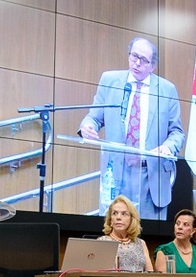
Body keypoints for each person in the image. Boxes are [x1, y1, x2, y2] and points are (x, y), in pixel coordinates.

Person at [79, 37, 185, 221]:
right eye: (134, 56)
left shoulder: (167, 90)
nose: (136, 63)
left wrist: (167, 147)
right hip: (117, 172)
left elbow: (177, 132)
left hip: (150, 175)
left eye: (143, 60)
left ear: (152, 66)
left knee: (147, 239)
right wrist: (87, 126)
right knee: (114, 235)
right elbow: (94, 117)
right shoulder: (110, 80)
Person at [98, 195, 153, 272]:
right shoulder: (102, 242)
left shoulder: (141, 243)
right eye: (114, 213)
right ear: (110, 219)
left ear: (131, 219)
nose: (118, 217)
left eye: (124, 214)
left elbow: (150, 274)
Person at [153, 209, 196, 274]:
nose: (180, 227)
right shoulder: (164, 251)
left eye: (185, 224)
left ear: (193, 231)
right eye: (177, 223)